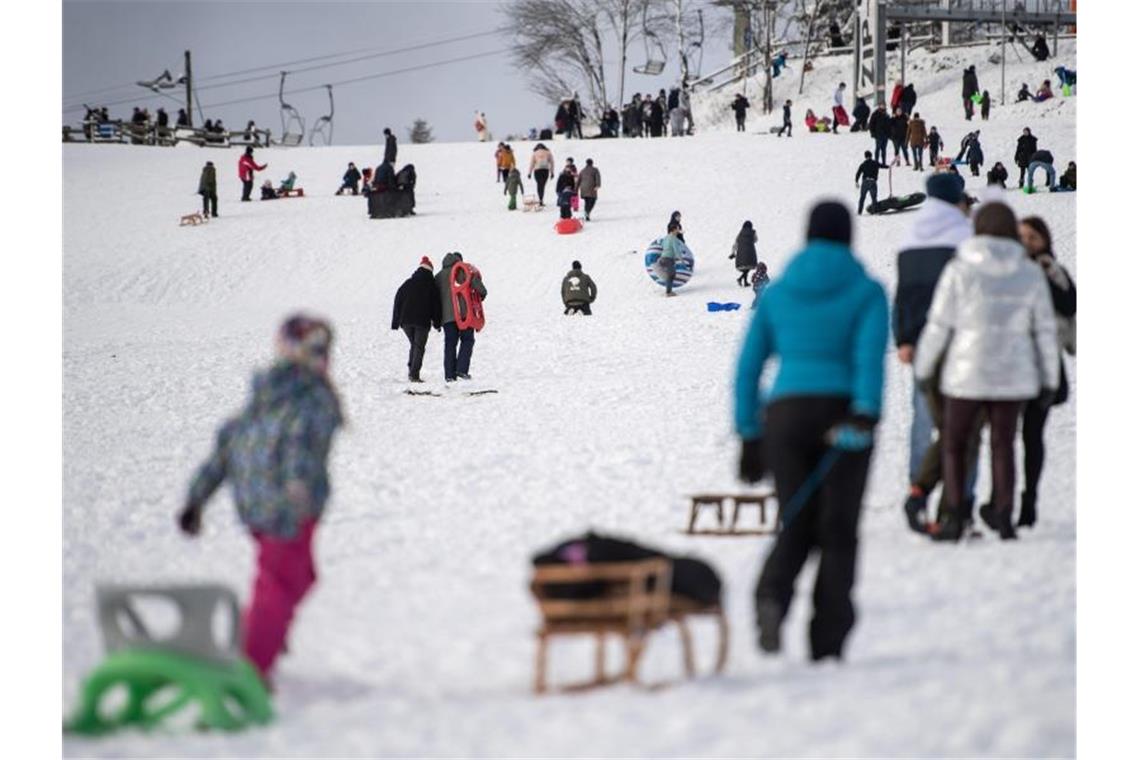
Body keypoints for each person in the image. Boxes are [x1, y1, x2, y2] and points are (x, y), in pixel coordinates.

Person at [735, 201, 888, 662]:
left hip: (785, 415)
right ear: (848, 236)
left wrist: (749, 434)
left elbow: (748, 367)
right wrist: (865, 411)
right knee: (839, 530)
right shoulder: (867, 291)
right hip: (843, 414)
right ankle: (828, 640)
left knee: (796, 517)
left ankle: (771, 597)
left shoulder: (780, 292)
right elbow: (868, 357)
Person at [178, 314, 343, 683]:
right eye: (313, 349)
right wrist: (297, 487)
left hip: (263, 504)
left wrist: (197, 499)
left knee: (298, 578)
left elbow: (228, 445)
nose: (320, 356)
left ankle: (264, 632)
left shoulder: (275, 388)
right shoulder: (307, 396)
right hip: (287, 507)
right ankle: (251, 668)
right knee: (278, 585)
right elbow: (290, 444)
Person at [915, 203, 1058, 541]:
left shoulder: (960, 269)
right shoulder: (1029, 271)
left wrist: (924, 367)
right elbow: (1044, 331)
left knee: (955, 443)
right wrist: (1049, 378)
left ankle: (954, 513)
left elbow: (939, 325)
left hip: (966, 374)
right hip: (1013, 375)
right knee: (1003, 444)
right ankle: (1004, 516)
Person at [892, 174, 975, 533]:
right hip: (962, 341)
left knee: (923, 417)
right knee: (965, 421)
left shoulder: (912, 235)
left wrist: (904, 339)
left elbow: (905, 295)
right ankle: (959, 502)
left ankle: (917, 487)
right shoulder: (965, 236)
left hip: (922, 342)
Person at [1016, 216, 1075, 528]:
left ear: (1045, 240)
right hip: (1008, 365)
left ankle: (1029, 499)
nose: (1027, 242)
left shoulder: (1055, 272)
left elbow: (1069, 306)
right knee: (1002, 437)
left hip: (1044, 369)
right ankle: (1000, 500)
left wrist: (1047, 276)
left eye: (1033, 237)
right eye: (1022, 236)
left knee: (1032, 436)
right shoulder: (1006, 270)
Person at [436, 252, 486, 381]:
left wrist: (436, 319)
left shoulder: (438, 277)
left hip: (447, 317)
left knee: (450, 344)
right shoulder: (461, 270)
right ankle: (461, 369)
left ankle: (449, 375)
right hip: (464, 314)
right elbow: (476, 284)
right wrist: (482, 293)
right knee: (467, 340)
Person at [392, 256, 442, 383]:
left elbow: (398, 300)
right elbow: (436, 305)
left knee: (414, 345)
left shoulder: (407, 283)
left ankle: (411, 369)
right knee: (419, 347)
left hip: (406, 321)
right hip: (422, 322)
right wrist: (437, 323)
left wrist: (395, 322)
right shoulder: (431, 285)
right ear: (430, 270)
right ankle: (414, 374)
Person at [855, 150, 889, 215]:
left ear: (865, 156)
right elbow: (883, 166)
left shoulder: (863, 164)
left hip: (865, 182)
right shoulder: (875, 163)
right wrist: (889, 166)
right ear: (871, 156)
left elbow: (858, 173)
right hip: (873, 181)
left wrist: (856, 181)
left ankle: (859, 212)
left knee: (862, 197)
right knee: (874, 197)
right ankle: (874, 211)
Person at [730, 221, 758, 287]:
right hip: (750, 252)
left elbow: (735, 243)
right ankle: (741, 279)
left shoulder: (740, 233)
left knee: (745, 267)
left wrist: (733, 253)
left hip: (741, 254)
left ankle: (744, 281)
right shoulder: (753, 232)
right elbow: (756, 240)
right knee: (748, 266)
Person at [659, 223, 684, 297]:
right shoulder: (673, 238)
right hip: (668, 259)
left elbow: (663, 246)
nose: (678, 230)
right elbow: (676, 250)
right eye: (677, 229)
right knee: (671, 275)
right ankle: (668, 292)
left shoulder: (666, 237)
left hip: (662, 258)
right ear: (673, 230)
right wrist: (681, 259)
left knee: (670, 274)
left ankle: (668, 289)